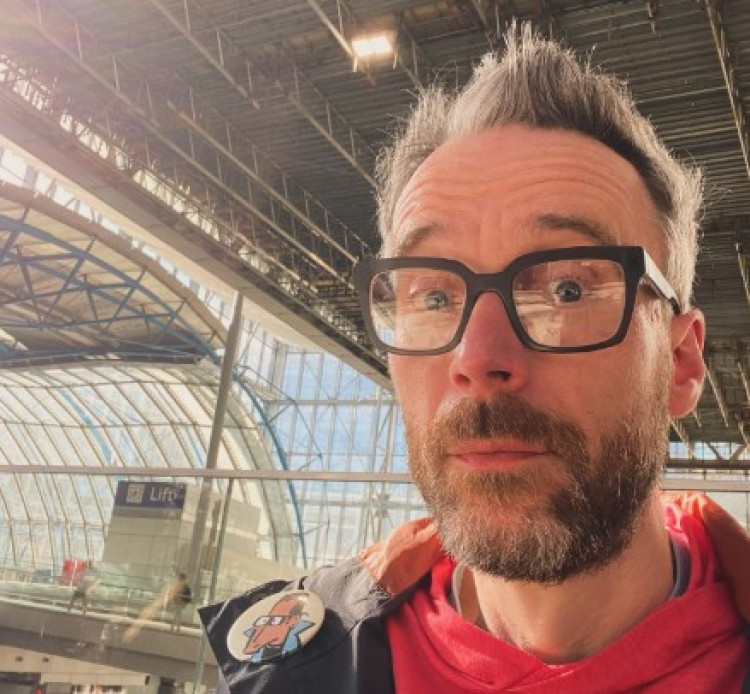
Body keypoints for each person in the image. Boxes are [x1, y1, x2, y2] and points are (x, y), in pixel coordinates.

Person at [199, 24, 750, 692]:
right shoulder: (288, 672)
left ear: (682, 363)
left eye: (567, 289)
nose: (477, 357)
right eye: (434, 296)